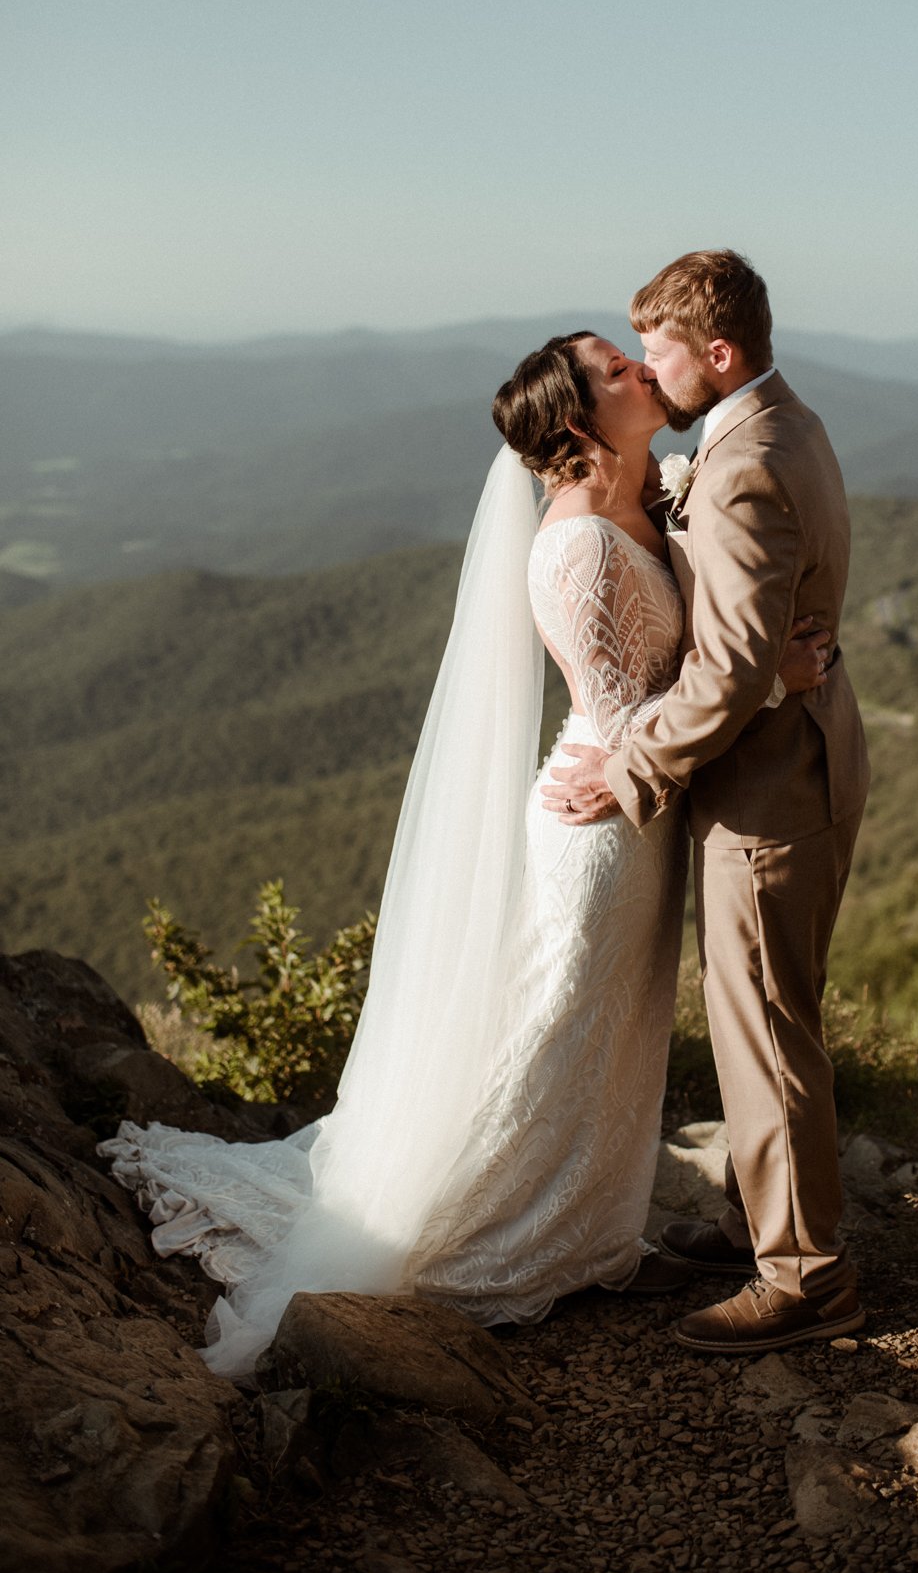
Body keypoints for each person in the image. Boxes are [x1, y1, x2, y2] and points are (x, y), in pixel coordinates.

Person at [99, 329, 826, 1380]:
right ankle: (483, 1235)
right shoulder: (573, 546)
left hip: (637, 813)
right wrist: (772, 681)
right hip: (601, 825)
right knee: (554, 1030)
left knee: (604, 1035)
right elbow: (626, 713)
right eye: (618, 370)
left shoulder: (642, 496)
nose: (640, 369)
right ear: (580, 420)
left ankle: (587, 1231)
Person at [546, 253, 871, 1353]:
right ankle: (759, 1223)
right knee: (764, 1012)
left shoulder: (738, 464)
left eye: (661, 351)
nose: (646, 368)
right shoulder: (787, 422)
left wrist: (629, 770)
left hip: (773, 780)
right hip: (809, 746)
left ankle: (803, 1277)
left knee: (768, 1022)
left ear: (718, 355)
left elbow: (731, 671)